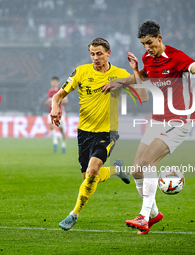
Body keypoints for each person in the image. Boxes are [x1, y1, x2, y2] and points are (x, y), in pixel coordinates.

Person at [115, 20, 195, 234]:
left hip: (179, 120)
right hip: (158, 120)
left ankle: (143, 216)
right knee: (136, 170)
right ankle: (155, 214)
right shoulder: (148, 58)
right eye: (143, 44)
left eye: (150, 42)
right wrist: (120, 82)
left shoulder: (176, 57)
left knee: (148, 162)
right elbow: (145, 77)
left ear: (159, 38)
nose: (147, 48)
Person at [50, 38, 132, 231]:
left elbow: (139, 80)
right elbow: (58, 95)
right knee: (88, 177)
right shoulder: (81, 71)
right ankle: (115, 170)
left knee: (93, 170)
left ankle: (73, 214)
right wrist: (55, 106)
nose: (95, 57)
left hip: (107, 132)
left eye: (99, 54)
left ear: (108, 53)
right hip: (84, 133)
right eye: (92, 54)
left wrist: (121, 82)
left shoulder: (118, 73)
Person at [44, 76, 68, 153]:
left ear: (58, 82)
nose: (54, 83)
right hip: (51, 112)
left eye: (55, 81)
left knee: (61, 129)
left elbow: (65, 101)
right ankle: (55, 142)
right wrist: (47, 103)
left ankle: (63, 144)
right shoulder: (49, 91)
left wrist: (56, 102)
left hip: (59, 112)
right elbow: (49, 101)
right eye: (52, 81)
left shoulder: (61, 90)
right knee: (51, 126)